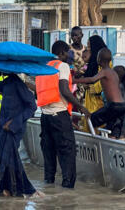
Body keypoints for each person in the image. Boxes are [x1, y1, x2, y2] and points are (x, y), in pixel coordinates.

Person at [35, 40, 90, 188]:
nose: (69, 56)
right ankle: (67, 188)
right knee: (67, 152)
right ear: (61, 53)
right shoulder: (62, 66)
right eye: (67, 53)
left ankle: (49, 184)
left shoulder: (43, 67)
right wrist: (81, 107)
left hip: (45, 116)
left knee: (49, 153)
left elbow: (37, 91)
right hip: (59, 115)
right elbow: (65, 90)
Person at [0, 70, 43, 198]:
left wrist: (13, 122)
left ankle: (21, 189)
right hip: (3, 129)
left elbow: (32, 107)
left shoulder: (18, 84)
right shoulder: (7, 82)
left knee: (10, 159)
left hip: (14, 129)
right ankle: (6, 188)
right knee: (3, 158)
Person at [74, 48, 125, 139]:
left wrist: (75, 80)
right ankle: (115, 139)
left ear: (99, 59)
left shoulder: (104, 71)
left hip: (113, 106)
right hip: (122, 106)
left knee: (92, 119)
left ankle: (94, 140)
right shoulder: (113, 72)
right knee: (113, 128)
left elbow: (92, 79)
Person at [81, 35, 109, 131]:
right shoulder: (93, 60)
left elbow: (103, 80)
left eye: (89, 46)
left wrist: (90, 87)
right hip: (89, 98)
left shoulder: (104, 60)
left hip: (98, 98)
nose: (88, 49)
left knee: (96, 125)